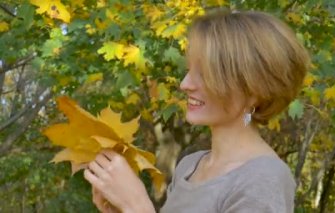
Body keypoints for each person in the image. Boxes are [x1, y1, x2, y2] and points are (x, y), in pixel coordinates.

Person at [84, 9, 310, 213]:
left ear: (254, 89)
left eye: (205, 74)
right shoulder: (190, 166)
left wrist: (136, 205)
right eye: (189, 70)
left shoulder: (263, 179)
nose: (185, 84)